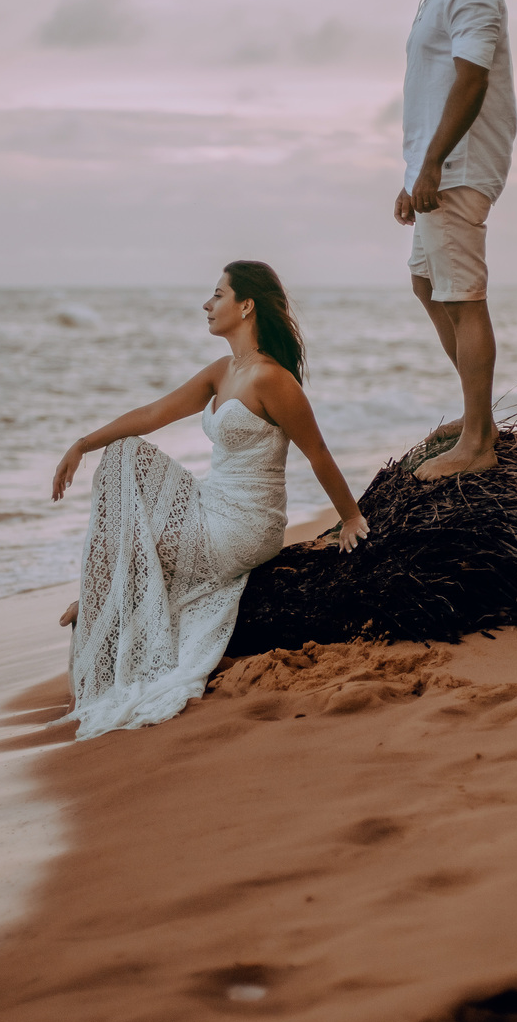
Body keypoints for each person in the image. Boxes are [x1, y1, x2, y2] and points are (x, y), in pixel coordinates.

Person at [51, 261, 368, 739]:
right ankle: (106, 592)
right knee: (123, 455)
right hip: (209, 502)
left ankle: (104, 597)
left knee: (130, 470)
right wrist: (82, 443)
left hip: (245, 524)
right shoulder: (224, 371)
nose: (207, 303)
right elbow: (155, 413)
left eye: (217, 294)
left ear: (246, 305)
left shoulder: (272, 379)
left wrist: (350, 516)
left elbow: (317, 451)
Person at [395, 0, 517, 480]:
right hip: (438, 165)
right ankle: (480, 420)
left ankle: (477, 443)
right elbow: (433, 91)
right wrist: (415, 171)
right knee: (426, 283)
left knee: (462, 297)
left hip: (461, 165)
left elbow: (471, 78)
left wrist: (436, 163)